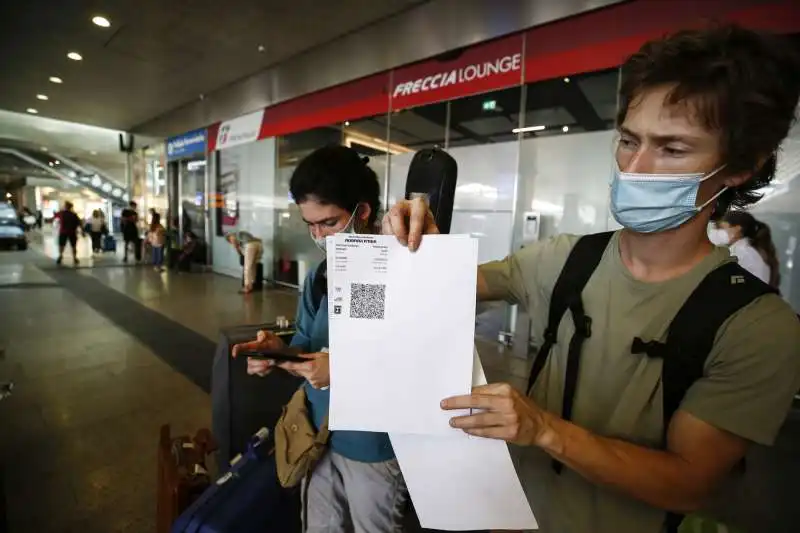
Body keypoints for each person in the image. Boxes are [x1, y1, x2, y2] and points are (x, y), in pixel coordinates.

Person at [384, 25, 800, 533]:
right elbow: (440, 287)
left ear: (739, 167)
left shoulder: (757, 326)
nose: (635, 169)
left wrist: (544, 430)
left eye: (672, 149)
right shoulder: (565, 259)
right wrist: (413, 242)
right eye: (628, 141)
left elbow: (692, 482)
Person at [232, 145, 407, 533]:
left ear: (362, 212)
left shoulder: (390, 271)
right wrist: (280, 353)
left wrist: (341, 368)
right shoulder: (322, 276)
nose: (318, 235)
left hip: (370, 448)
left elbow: (404, 364)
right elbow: (310, 348)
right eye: (310, 225)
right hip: (317, 436)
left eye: (328, 223)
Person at [709, 211, 780, 288]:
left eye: (720, 227)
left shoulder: (741, 254)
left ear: (737, 229)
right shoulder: (750, 252)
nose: (715, 231)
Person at [54, 201, 83, 265]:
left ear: (66, 206)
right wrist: (82, 231)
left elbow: (55, 215)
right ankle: (75, 258)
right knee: (73, 246)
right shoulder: (74, 214)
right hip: (72, 232)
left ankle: (60, 256)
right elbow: (79, 223)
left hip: (63, 232)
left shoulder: (61, 213)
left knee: (61, 245)